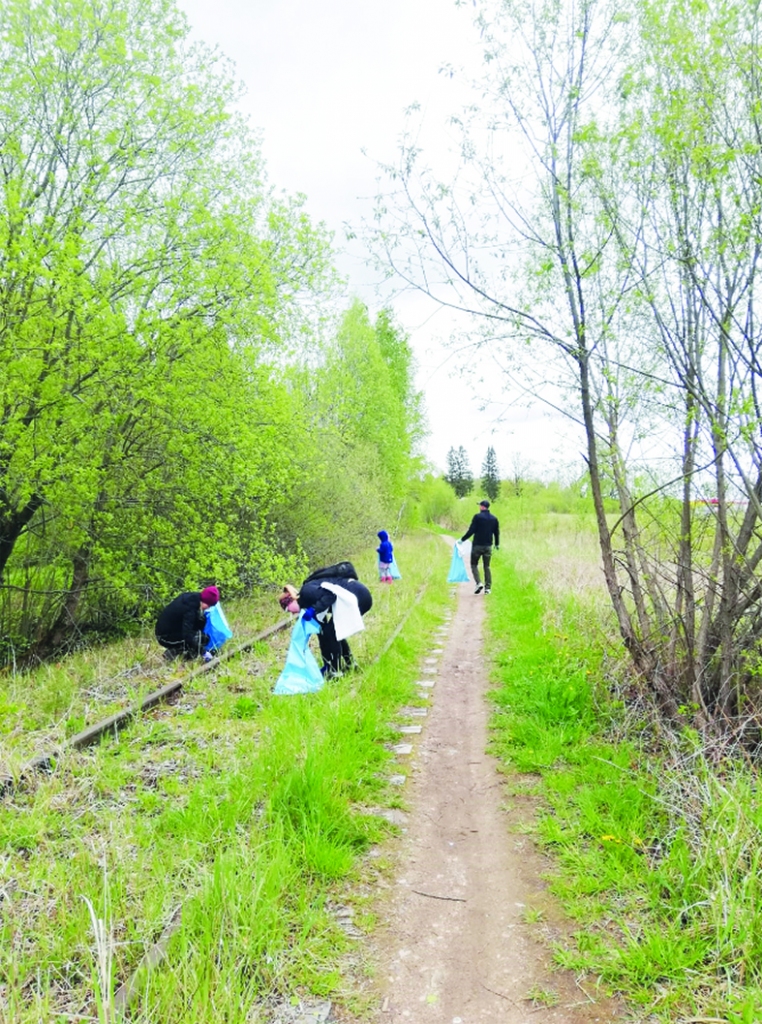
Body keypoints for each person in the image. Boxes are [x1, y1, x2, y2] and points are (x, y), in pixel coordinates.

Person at [278, 563, 372, 676]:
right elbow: (321, 634)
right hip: (353, 598)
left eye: (288, 610)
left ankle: (336, 671)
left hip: (359, 596)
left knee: (332, 632)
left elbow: (330, 595)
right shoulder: (307, 602)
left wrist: (313, 610)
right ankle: (348, 664)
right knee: (330, 631)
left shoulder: (306, 592)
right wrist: (325, 661)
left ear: (291, 600)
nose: (291, 613)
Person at [155, 585, 220, 661]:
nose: (208, 608)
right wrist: (203, 652)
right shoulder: (190, 608)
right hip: (164, 637)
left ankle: (178, 651)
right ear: (205, 601)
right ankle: (175, 654)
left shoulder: (193, 598)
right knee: (199, 638)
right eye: (208, 605)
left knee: (201, 628)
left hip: (171, 630)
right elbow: (187, 635)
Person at [461, 499, 500, 594]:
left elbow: (471, 530)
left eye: (480, 506)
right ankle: (488, 588)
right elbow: (496, 533)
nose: (479, 507)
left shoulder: (477, 517)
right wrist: (497, 544)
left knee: (474, 565)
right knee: (487, 566)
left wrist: (462, 539)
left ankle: (479, 583)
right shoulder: (494, 519)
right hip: (488, 547)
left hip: (477, 546)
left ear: (482, 507)